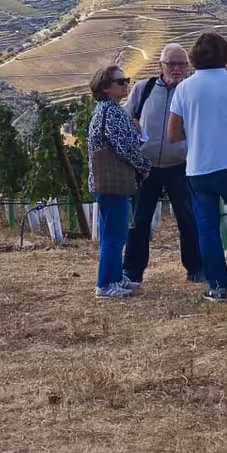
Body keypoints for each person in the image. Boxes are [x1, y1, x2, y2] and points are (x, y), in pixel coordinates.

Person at [167, 31, 227, 302]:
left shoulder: (184, 89)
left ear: (194, 57)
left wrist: (199, 131)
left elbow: (173, 134)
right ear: (226, 55)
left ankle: (217, 287)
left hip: (198, 169)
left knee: (207, 228)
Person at [121, 43, 204, 291]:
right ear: (161, 65)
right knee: (140, 220)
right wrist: (132, 128)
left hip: (181, 165)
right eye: (172, 64)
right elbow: (127, 117)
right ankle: (133, 271)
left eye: (181, 64)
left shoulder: (193, 92)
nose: (176, 69)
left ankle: (196, 268)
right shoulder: (143, 89)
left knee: (188, 220)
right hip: (146, 167)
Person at [87, 64, 151, 299]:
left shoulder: (105, 110)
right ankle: (105, 284)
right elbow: (124, 147)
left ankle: (114, 277)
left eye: (126, 80)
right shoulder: (111, 112)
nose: (126, 84)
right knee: (115, 235)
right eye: (120, 82)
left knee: (111, 233)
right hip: (113, 182)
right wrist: (143, 167)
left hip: (107, 182)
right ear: (106, 88)